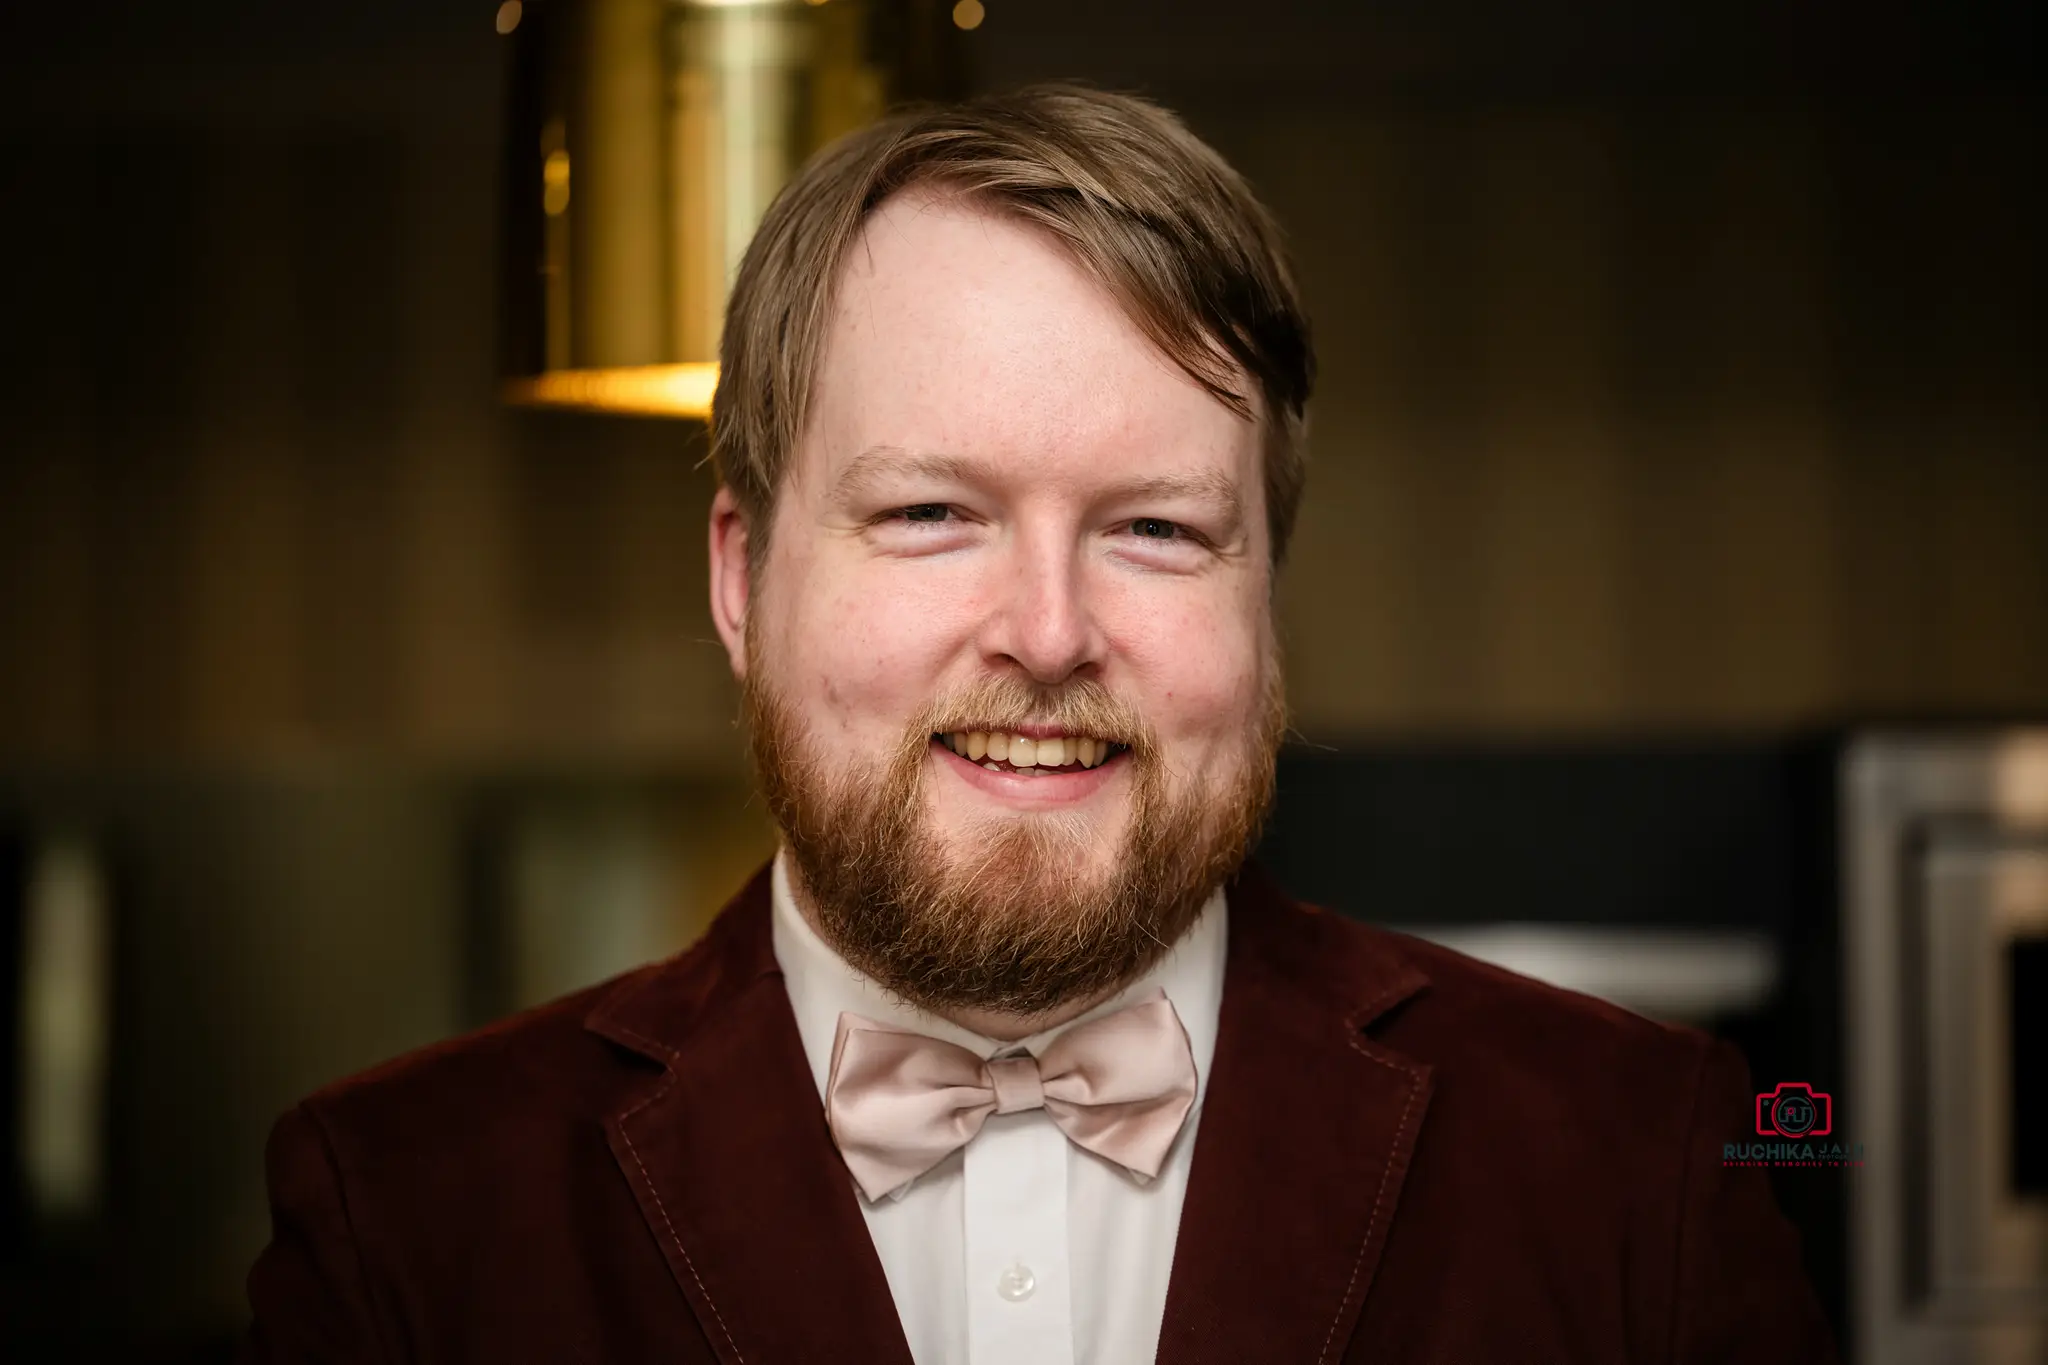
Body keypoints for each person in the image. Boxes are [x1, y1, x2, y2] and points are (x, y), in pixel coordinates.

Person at [239, 84, 1836, 1364]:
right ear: (741, 579)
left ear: (1265, 596)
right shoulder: (406, 1213)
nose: (1052, 635)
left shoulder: (1646, 1164)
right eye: (934, 511)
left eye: (1154, 530)